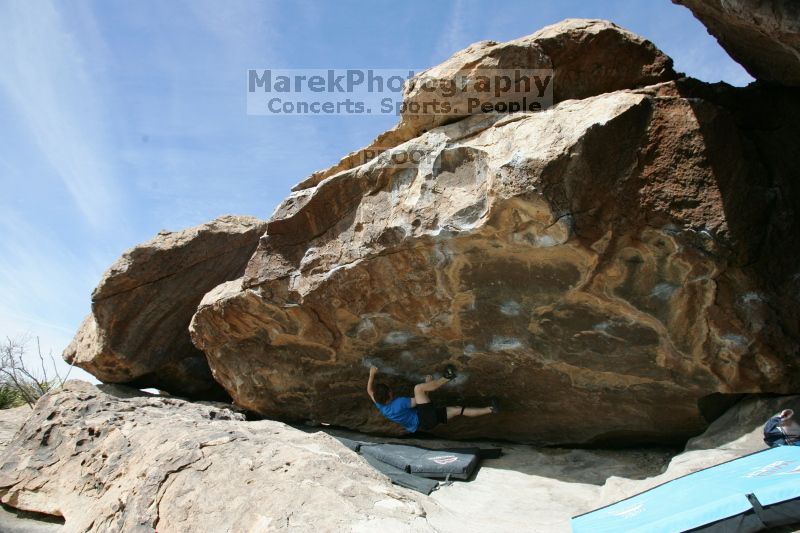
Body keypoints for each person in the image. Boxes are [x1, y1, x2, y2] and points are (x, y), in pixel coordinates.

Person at [366, 365, 497, 433]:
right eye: (390, 390)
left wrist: (372, 374)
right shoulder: (399, 403)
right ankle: (448, 377)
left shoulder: (380, 404)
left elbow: (369, 390)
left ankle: (491, 409)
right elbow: (422, 402)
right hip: (425, 418)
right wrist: (427, 384)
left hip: (426, 422)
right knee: (418, 389)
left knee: (458, 410)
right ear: (390, 394)